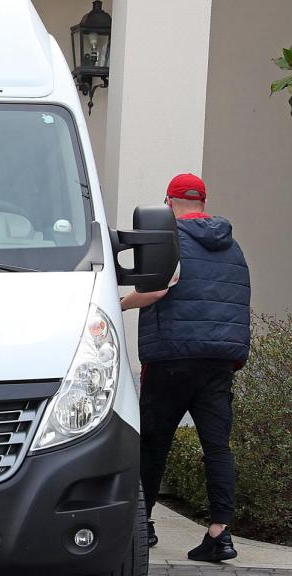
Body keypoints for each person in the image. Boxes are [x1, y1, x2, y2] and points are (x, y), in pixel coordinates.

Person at [121, 173, 250, 563]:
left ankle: (141, 526)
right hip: (218, 362)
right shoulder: (233, 247)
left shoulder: (170, 240)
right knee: (216, 446)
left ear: (169, 201)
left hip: (173, 358)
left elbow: (157, 290)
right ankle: (221, 534)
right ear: (203, 202)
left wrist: (120, 303)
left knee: (153, 444)